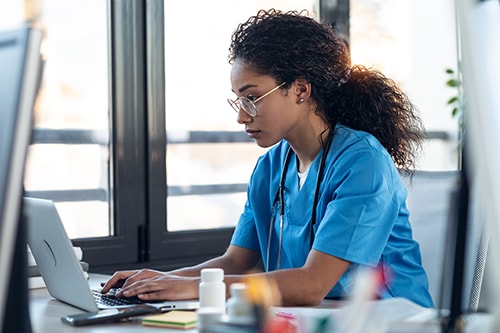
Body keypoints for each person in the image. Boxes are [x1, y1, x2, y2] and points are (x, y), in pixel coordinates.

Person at [102, 8, 433, 308]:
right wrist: (162, 280)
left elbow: (312, 285)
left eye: (252, 98)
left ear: (301, 90)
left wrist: (192, 287)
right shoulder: (271, 166)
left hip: (387, 320)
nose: (242, 117)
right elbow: (234, 262)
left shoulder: (364, 163)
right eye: (239, 101)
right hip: (311, 319)